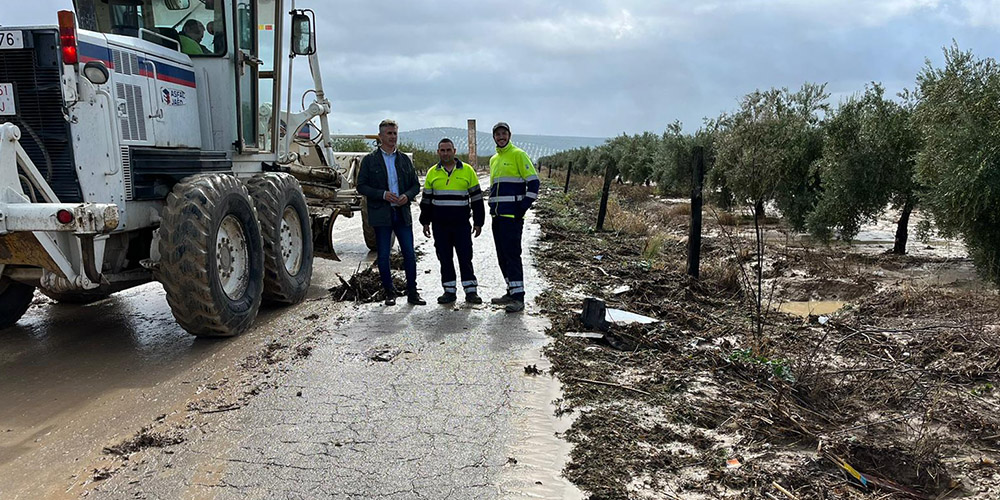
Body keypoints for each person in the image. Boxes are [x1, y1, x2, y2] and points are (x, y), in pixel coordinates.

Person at [356, 119, 425, 306]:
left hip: (402, 213)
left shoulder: (404, 160)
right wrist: (382, 194)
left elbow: (415, 185)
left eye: (395, 133)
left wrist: (407, 195)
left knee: (409, 253)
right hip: (381, 214)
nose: (393, 137)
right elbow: (361, 186)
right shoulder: (370, 161)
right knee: (384, 254)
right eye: (389, 133)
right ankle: (389, 292)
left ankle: (412, 292)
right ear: (380, 136)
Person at [419, 138, 485, 305]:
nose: (446, 153)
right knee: (445, 258)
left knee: (465, 257)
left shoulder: (467, 171)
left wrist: (479, 221)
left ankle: (471, 291)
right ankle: (449, 291)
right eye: (442, 150)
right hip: (440, 226)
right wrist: (425, 222)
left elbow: (476, 198)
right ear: (438, 152)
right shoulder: (432, 172)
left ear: (454, 151)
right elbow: (426, 200)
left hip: (461, 224)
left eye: (448, 150)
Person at [488, 122, 539, 312]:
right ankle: (511, 290)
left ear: (509, 135)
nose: (501, 137)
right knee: (502, 256)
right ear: (494, 137)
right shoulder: (494, 159)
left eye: (504, 133)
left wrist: (522, 208)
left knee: (512, 256)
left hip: (512, 217)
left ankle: (519, 297)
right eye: (497, 134)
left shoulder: (518, 154)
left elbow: (534, 184)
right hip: (497, 216)